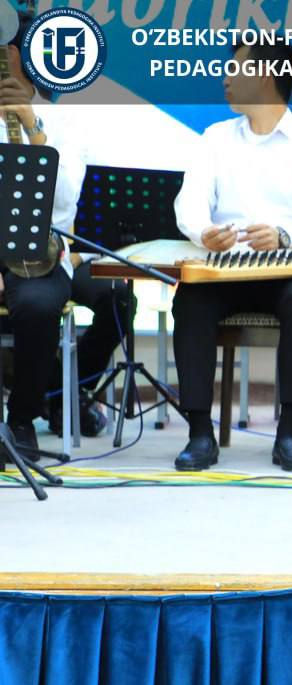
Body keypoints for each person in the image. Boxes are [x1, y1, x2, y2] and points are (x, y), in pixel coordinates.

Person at [171, 40, 292, 472]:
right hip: (225, 270)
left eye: (235, 69)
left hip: (289, 270)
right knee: (190, 299)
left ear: (266, 77)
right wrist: (204, 232)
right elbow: (188, 205)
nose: (226, 78)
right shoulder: (216, 138)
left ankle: (289, 433)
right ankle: (199, 432)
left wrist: (285, 236)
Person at [0, 12, 131, 460]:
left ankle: (40, 407)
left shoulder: (63, 120)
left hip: (43, 251)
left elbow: (64, 198)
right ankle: (50, 399)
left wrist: (32, 126)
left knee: (96, 298)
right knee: (36, 306)